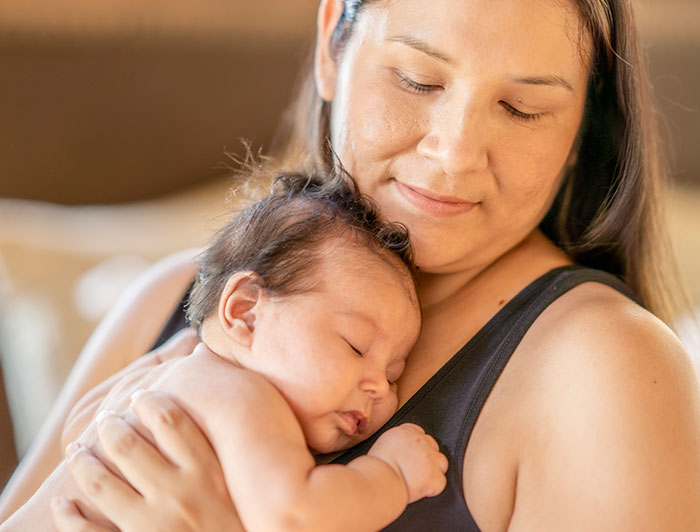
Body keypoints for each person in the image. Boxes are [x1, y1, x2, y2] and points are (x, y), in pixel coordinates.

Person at [1, 0, 699, 530]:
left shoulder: (606, 373)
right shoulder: (168, 300)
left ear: (583, 128)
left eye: (521, 109)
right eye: (417, 79)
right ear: (333, 42)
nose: (453, 153)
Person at [0, 172, 448, 532]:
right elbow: (294, 517)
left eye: (393, 373)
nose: (378, 387)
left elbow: (76, 432)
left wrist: (157, 362)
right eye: (355, 346)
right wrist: (392, 473)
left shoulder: (160, 377)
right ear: (246, 312)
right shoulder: (244, 397)